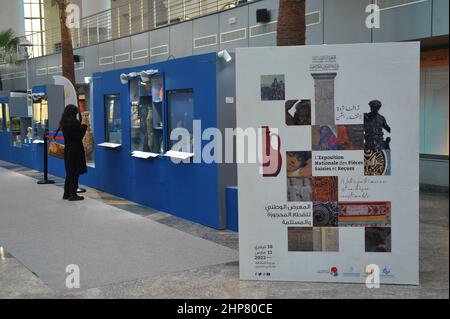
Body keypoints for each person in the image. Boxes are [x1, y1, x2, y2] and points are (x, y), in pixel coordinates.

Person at [59, 104, 88, 201]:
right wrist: (84, 126)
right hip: (76, 151)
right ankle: (73, 194)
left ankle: (66, 193)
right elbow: (79, 136)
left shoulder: (64, 123)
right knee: (75, 173)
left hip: (68, 150)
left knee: (69, 172)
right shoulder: (74, 123)